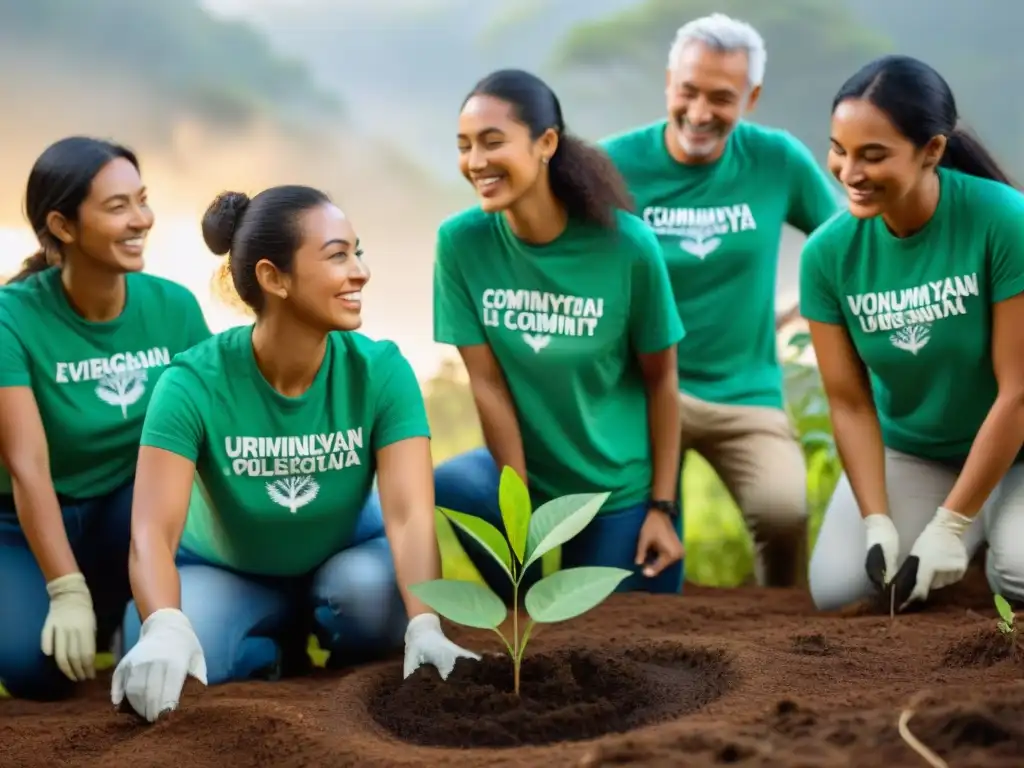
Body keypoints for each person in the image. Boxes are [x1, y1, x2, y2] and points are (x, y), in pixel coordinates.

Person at [112, 184, 479, 723]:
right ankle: (274, 639)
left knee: (370, 603)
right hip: (227, 568)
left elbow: (409, 516)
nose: (360, 272)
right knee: (176, 657)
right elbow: (151, 532)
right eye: (337, 256)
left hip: (348, 558)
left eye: (358, 251)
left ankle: (334, 639)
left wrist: (424, 621)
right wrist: (163, 622)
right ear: (273, 277)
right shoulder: (191, 383)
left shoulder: (381, 370)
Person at [600, 13, 842, 588]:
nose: (701, 112)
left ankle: (783, 635)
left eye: (722, 97)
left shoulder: (777, 160)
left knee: (785, 512)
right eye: (688, 91)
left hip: (744, 389)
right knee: (638, 554)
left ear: (751, 97)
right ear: (668, 83)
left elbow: (846, 241)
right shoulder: (612, 165)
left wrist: (800, 309)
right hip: (639, 390)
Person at [429, 68, 686, 603]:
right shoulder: (461, 243)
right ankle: (520, 605)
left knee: (609, 648)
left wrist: (661, 508)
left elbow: (662, 381)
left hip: (615, 490)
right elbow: (488, 383)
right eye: (464, 146)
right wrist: (517, 507)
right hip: (528, 472)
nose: (476, 162)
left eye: (492, 142)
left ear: (546, 143)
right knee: (454, 482)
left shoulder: (628, 248)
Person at [801, 54, 1024, 612]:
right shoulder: (827, 255)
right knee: (843, 589)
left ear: (933, 151)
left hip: (1019, 445)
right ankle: (968, 526)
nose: (850, 172)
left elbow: (1017, 391)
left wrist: (949, 524)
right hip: (919, 451)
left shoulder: (1003, 222)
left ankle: (988, 525)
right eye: (839, 149)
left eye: (873, 155)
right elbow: (849, 403)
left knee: (1019, 576)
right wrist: (876, 517)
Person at [0, 136, 211, 701]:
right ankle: (91, 604)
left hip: (129, 510)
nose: (140, 219)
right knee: (34, 671)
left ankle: (128, 608)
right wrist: (65, 590)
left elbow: (211, 433)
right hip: (24, 526)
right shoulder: (11, 318)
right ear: (63, 227)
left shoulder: (174, 307)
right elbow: (27, 467)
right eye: (118, 207)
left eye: (142, 200)